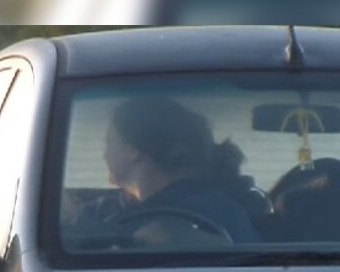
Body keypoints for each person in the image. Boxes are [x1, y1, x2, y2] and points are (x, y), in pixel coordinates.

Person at [76, 96, 261, 244]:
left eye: (109, 142)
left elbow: (248, 269)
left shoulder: (219, 211)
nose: (104, 155)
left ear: (133, 151)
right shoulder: (102, 210)